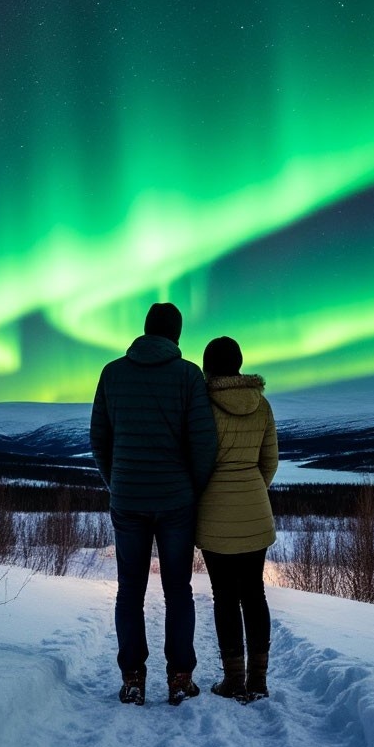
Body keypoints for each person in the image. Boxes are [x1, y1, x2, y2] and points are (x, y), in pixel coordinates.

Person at [90, 302, 218, 707]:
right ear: (176, 335)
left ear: (145, 331)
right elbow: (203, 443)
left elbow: (99, 440)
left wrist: (118, 483)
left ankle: (132, 678)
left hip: (127, 500)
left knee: (129, 590)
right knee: (178, 589)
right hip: (176, 500)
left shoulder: (112, 373)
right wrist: (191, 489)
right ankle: (180, 677)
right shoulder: (187, 375)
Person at [197, 335, 278, 703]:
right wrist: (251, 490)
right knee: (255, 593)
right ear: (240, 363)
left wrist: (211, 494)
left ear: (209, 366)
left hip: (215, 513)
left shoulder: (202, 405)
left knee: (225, 597)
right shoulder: (262, 404)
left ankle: (234, 679)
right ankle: (258, 680)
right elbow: (270, 462)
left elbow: (196, 461)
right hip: (255, 510)